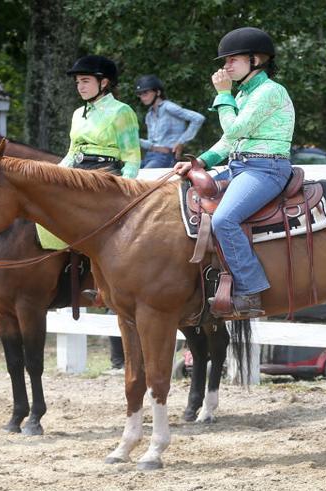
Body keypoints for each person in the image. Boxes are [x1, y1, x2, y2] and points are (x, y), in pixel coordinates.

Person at [174, 27, 295, 319]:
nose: (225, 66)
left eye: (232, 60)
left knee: (225, 219)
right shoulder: (244, 95)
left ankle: (250, 291)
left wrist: (223, 96)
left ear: (256, 59)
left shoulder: (269, 91)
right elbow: (230, 142)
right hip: (242, 167)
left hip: (266, 168)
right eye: (225, 61)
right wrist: (198, 162)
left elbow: (234, 129)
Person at [62, 55, 141, 371]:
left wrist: (125, 191)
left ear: (103, 82)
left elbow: (132, 156)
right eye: (78, 81)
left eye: (85, 80)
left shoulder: (122, 113)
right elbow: (70, 155)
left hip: (107, 176)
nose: (79, 86)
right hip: (77, 173)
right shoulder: (78, 114)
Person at [135, 74, 206, 170]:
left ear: (158, 92)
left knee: (143, 180)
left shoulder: (168, 107)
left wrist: (181, 142)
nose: (142, 97)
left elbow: (198, 118)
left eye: (145, 92)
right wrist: (133, 139)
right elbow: (152, 143)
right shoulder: (149, 115)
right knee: (127, 177)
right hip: (150, 156)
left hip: (165, 157)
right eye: (139, 94)